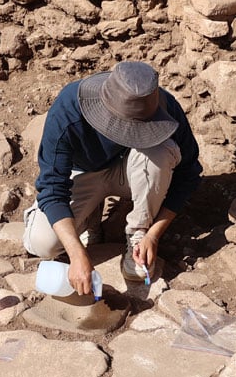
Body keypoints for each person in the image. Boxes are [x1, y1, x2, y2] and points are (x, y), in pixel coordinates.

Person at [23, 60, 202, 296]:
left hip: (133, 172)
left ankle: (136, 231)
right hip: (84, 174)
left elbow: (188, 175)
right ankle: (89, 216)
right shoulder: (69, 109)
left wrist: (152, 235)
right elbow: (53, 187)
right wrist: (77, 253)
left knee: (160, 152)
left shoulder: (165, 108)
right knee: (42, 244)